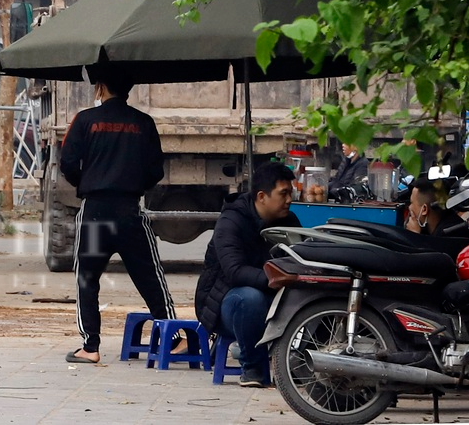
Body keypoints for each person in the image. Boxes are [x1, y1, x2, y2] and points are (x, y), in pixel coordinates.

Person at [60, 73, 175, 365]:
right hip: (130, 209)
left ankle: (90, 346)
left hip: (96, 211)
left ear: (100, 87)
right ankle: (174, 338)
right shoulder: (144, 123)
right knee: (150, 275)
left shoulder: (84, 120)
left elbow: (68, 164)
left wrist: (88, 181)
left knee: (87, 278)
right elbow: (155, 171)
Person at [195, 160, 300, 388]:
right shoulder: (231, 221)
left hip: (272, 298)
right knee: (250, 298)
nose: (289, 200)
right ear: (262, 196)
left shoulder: (289, 221)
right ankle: (253, 368)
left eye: (291, 193)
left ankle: (302, 365)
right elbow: (234, 272)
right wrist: (275, 279)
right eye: (283, 194)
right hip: (227, 304)